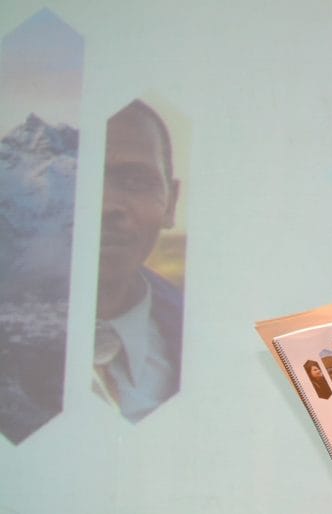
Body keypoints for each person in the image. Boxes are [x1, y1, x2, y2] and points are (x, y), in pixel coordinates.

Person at [93, 99, 184, 423]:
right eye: (76, 180)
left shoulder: (197, 334)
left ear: (170, 203)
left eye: (133, 181)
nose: (105, 206)